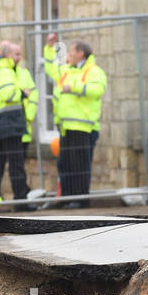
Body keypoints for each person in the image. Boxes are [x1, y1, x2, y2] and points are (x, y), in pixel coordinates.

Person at [42, 34, 107, 206]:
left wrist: (74, 87)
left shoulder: (94, 71)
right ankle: (67, 198)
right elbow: (51, 69)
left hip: (83, 126)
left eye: (72, 50)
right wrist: (49, 48)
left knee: (80, 165)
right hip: (65, 126)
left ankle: (80, 200)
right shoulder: (67, 70)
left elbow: (97, 90)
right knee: (65, 164)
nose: (68, 54)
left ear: (81, 53)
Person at [0, 42, 36, 208]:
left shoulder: (1, 70)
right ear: (7, 55)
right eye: (16, 54)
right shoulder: (4, 71)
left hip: (1, 124)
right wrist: (23, 92)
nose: (19, 57)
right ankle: (21, 200)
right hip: (9, 124)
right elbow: (7, 94)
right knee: (16, 164)